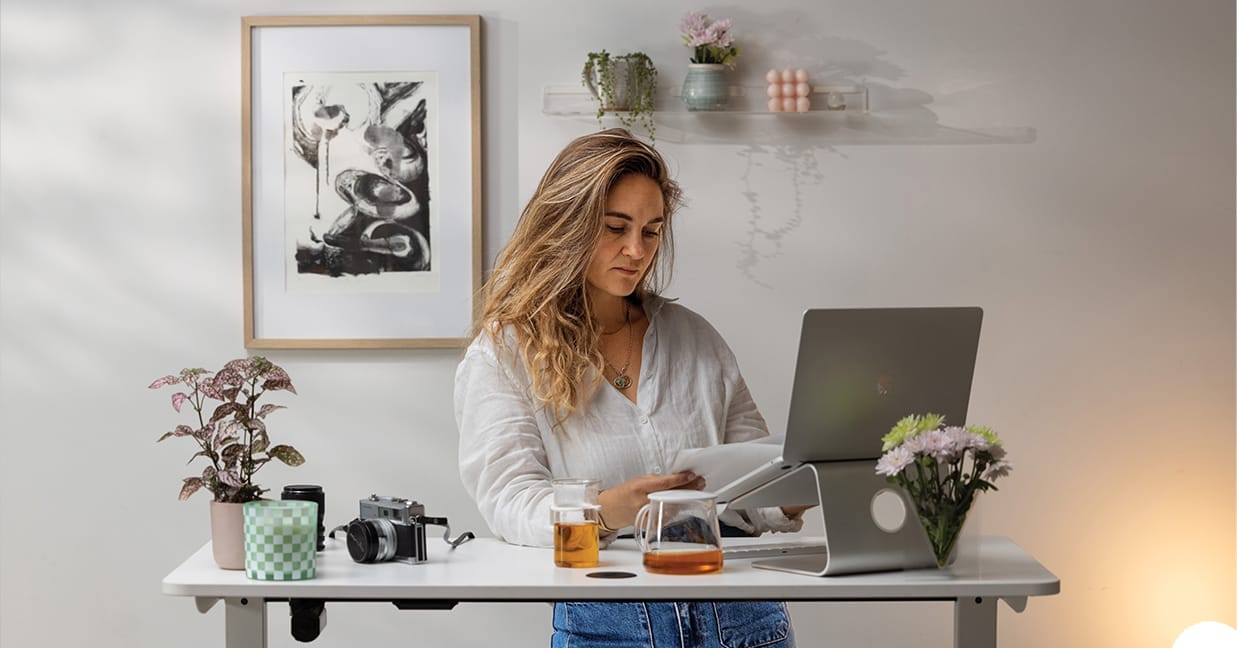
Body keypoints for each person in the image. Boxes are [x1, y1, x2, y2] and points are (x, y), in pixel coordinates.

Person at [455, 129, 804, 648]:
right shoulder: (506, 353)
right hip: (610, 627)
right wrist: (608, 509)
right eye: (615, 227)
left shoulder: (695, 338)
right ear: (567, 223)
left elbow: (750, 479)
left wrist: (801, 489)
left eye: (652, 230)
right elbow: (509, 499)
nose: (636, 249)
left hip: (745, 621)